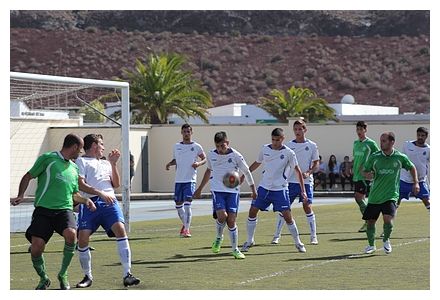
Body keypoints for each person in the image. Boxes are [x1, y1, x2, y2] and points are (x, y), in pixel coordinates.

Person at [10, 133, 96, 290]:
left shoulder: (74, 167)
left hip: (64, 210)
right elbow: (28, 176)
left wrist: (86, 200)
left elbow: (74, 194)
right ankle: (43, 278)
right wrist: (21, 195)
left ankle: (63, 274)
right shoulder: (48, 158)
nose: (80, 153)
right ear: (75, 147)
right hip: (43, 210)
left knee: (71, 234)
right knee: (36, 247)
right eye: (81, 149)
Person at [74, 134, 140, 288]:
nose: (104, 147)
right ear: (94, 146)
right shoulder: (82, 161)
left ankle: (127, 274)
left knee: (121, 230)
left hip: (110, 201)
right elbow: (81, 185)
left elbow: (115, 184)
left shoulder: (106, 163)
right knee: (83, 239)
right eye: (101, 144)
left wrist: (113, 164)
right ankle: (87, 276)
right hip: (90, 202)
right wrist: (100, 194)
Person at [241, 128, 307, 253]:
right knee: (252, 211)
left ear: (282, 139)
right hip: (264, 187)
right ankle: (249, 241)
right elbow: (257, 162)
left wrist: (302, 190)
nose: (275, 142)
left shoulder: (289, 153)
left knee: (287, 216)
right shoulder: (265, 149)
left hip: (280, 189)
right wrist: (245, 173)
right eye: (273, 139)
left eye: (277, 140)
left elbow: (297, 170)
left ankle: (298, 242)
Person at [193, 131, 257, 259]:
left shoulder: (236, 155)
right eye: (218, 146)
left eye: (223, 145)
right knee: (222, 216)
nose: (220, 149)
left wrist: (253, 189)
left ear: (227, 143)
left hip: (233, 192)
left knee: (231, 221)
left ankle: (235, 249)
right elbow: (208, 171)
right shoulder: (211, 155)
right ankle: (218, 238)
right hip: (217, 190)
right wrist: (200, 189)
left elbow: (247, 171)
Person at [362, 132, 418, 254]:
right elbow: (365, 171)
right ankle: (371, 245)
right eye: (380, 140)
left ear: (392, 142)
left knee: (388, 219)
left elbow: (411, 167)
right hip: (375, 196)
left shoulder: (400, 157)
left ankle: (386, 240)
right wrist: (368, 175)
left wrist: (416, 182)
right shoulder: (374, 157)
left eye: (384, 141)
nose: (381, 143)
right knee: (370, 222)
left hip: (391, 195)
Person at [271, 119, 320, 245]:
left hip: (306, 181)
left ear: (305, 130)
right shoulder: (288, 146)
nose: (298, 131)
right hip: (290, 182)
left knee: (307, 206)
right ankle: (276, 236)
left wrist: (308, 172)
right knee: (284, 208)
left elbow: (316, 163)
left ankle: (313, 236)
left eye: (300, 129)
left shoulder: (312, 145)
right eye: (295, 129)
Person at [166, 124, 207, 237]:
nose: (186, 133)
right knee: (178, 205)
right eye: (184, 131)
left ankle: (187, 230)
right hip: (179, 180)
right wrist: (170, 163)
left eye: (188, 131)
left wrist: (198, 163)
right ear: (181, 133)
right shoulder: (176, 146)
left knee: (188, 204)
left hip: (190, 180)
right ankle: (185, 225)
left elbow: (204, 159)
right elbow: (176, 160)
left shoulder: (197, 146)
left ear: (191, 133)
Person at [352, 121, 380, 232]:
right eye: (357, 129)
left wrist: (370, 169)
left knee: (358, 197)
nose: (359, 132)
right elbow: (355, 157)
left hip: (364, 176)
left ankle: (369, 220)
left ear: (365, 130)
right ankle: (368, 221)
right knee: (361, 199)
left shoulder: (371, 144)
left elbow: (378, 156)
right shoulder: (355, 143)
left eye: (361, 129)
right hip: (356, 175)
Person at [398, 127, 430, 211]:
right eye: (418, 135)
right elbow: (402, 160)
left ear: (426, 137)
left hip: (420, 181)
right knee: (396, 201)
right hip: (405, 180)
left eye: (422, 135)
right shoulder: (407, 145)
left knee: (427, 201)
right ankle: (390, 221)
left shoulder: (429, 150)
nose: (420, 137)